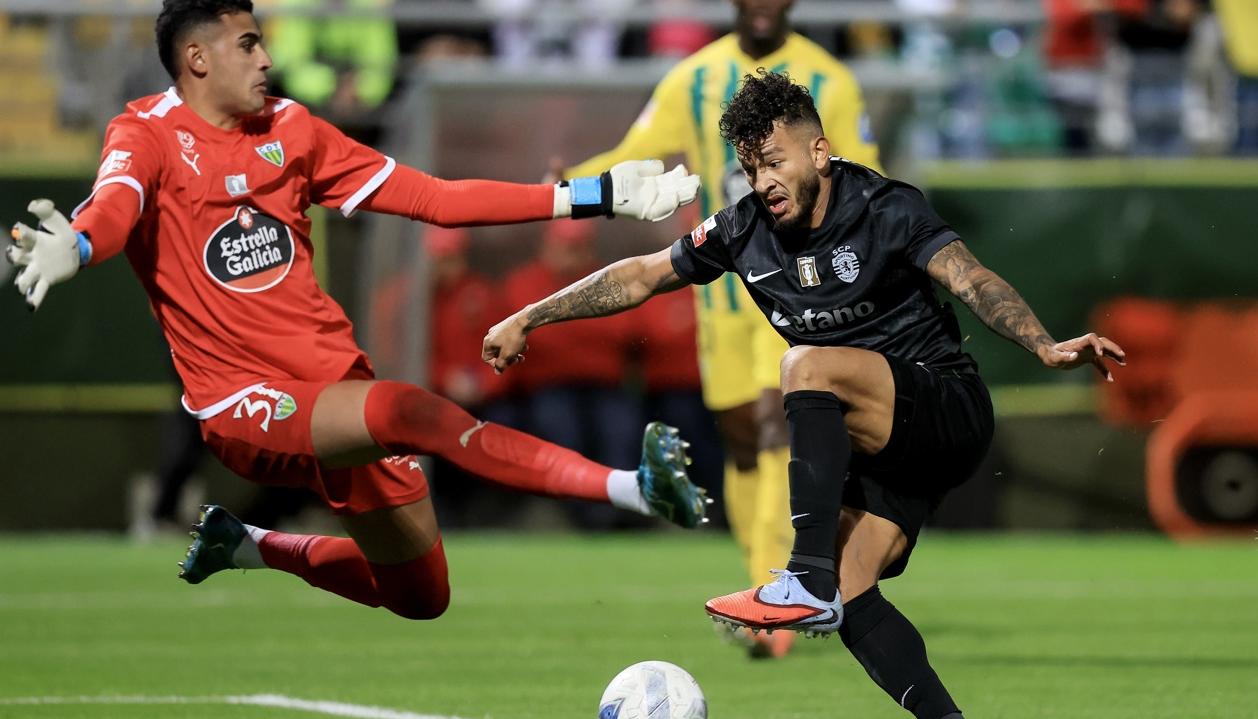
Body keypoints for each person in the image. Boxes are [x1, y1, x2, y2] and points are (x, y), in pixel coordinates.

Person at [6, 0, 706, 622]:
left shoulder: (293, 129)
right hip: (243, 403)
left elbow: (436, 199)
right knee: (411, 410)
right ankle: (632, 486)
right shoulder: (145, 133)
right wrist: (79, 241)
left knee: (422, 595)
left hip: (337, 388)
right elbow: (115, 204)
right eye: (248, 43)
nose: (267, 58)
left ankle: (251, 546)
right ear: (196, 58)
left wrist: (591, 195)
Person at [484, 71, 1126, 718]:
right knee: (855, 591)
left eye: (773, 162)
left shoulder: (885, 207)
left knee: (805, 365)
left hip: (943, 408)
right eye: (749, 167)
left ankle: (805, 574)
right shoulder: (742, 228)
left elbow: (972, 279)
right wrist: (530, 315)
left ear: (818, 152)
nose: (762, 180)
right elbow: (644, 275)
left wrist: (1043, 345)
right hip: (880, 447)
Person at [560, 0, 882, 659]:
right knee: (742, 442)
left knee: (777, 426)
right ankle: (767, 578)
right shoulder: (695, 78)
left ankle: (777, 603)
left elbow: (865, 174)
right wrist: (570, 184)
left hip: (804, 292)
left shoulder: (831, 82)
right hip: (725, 300)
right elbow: (635, 151)